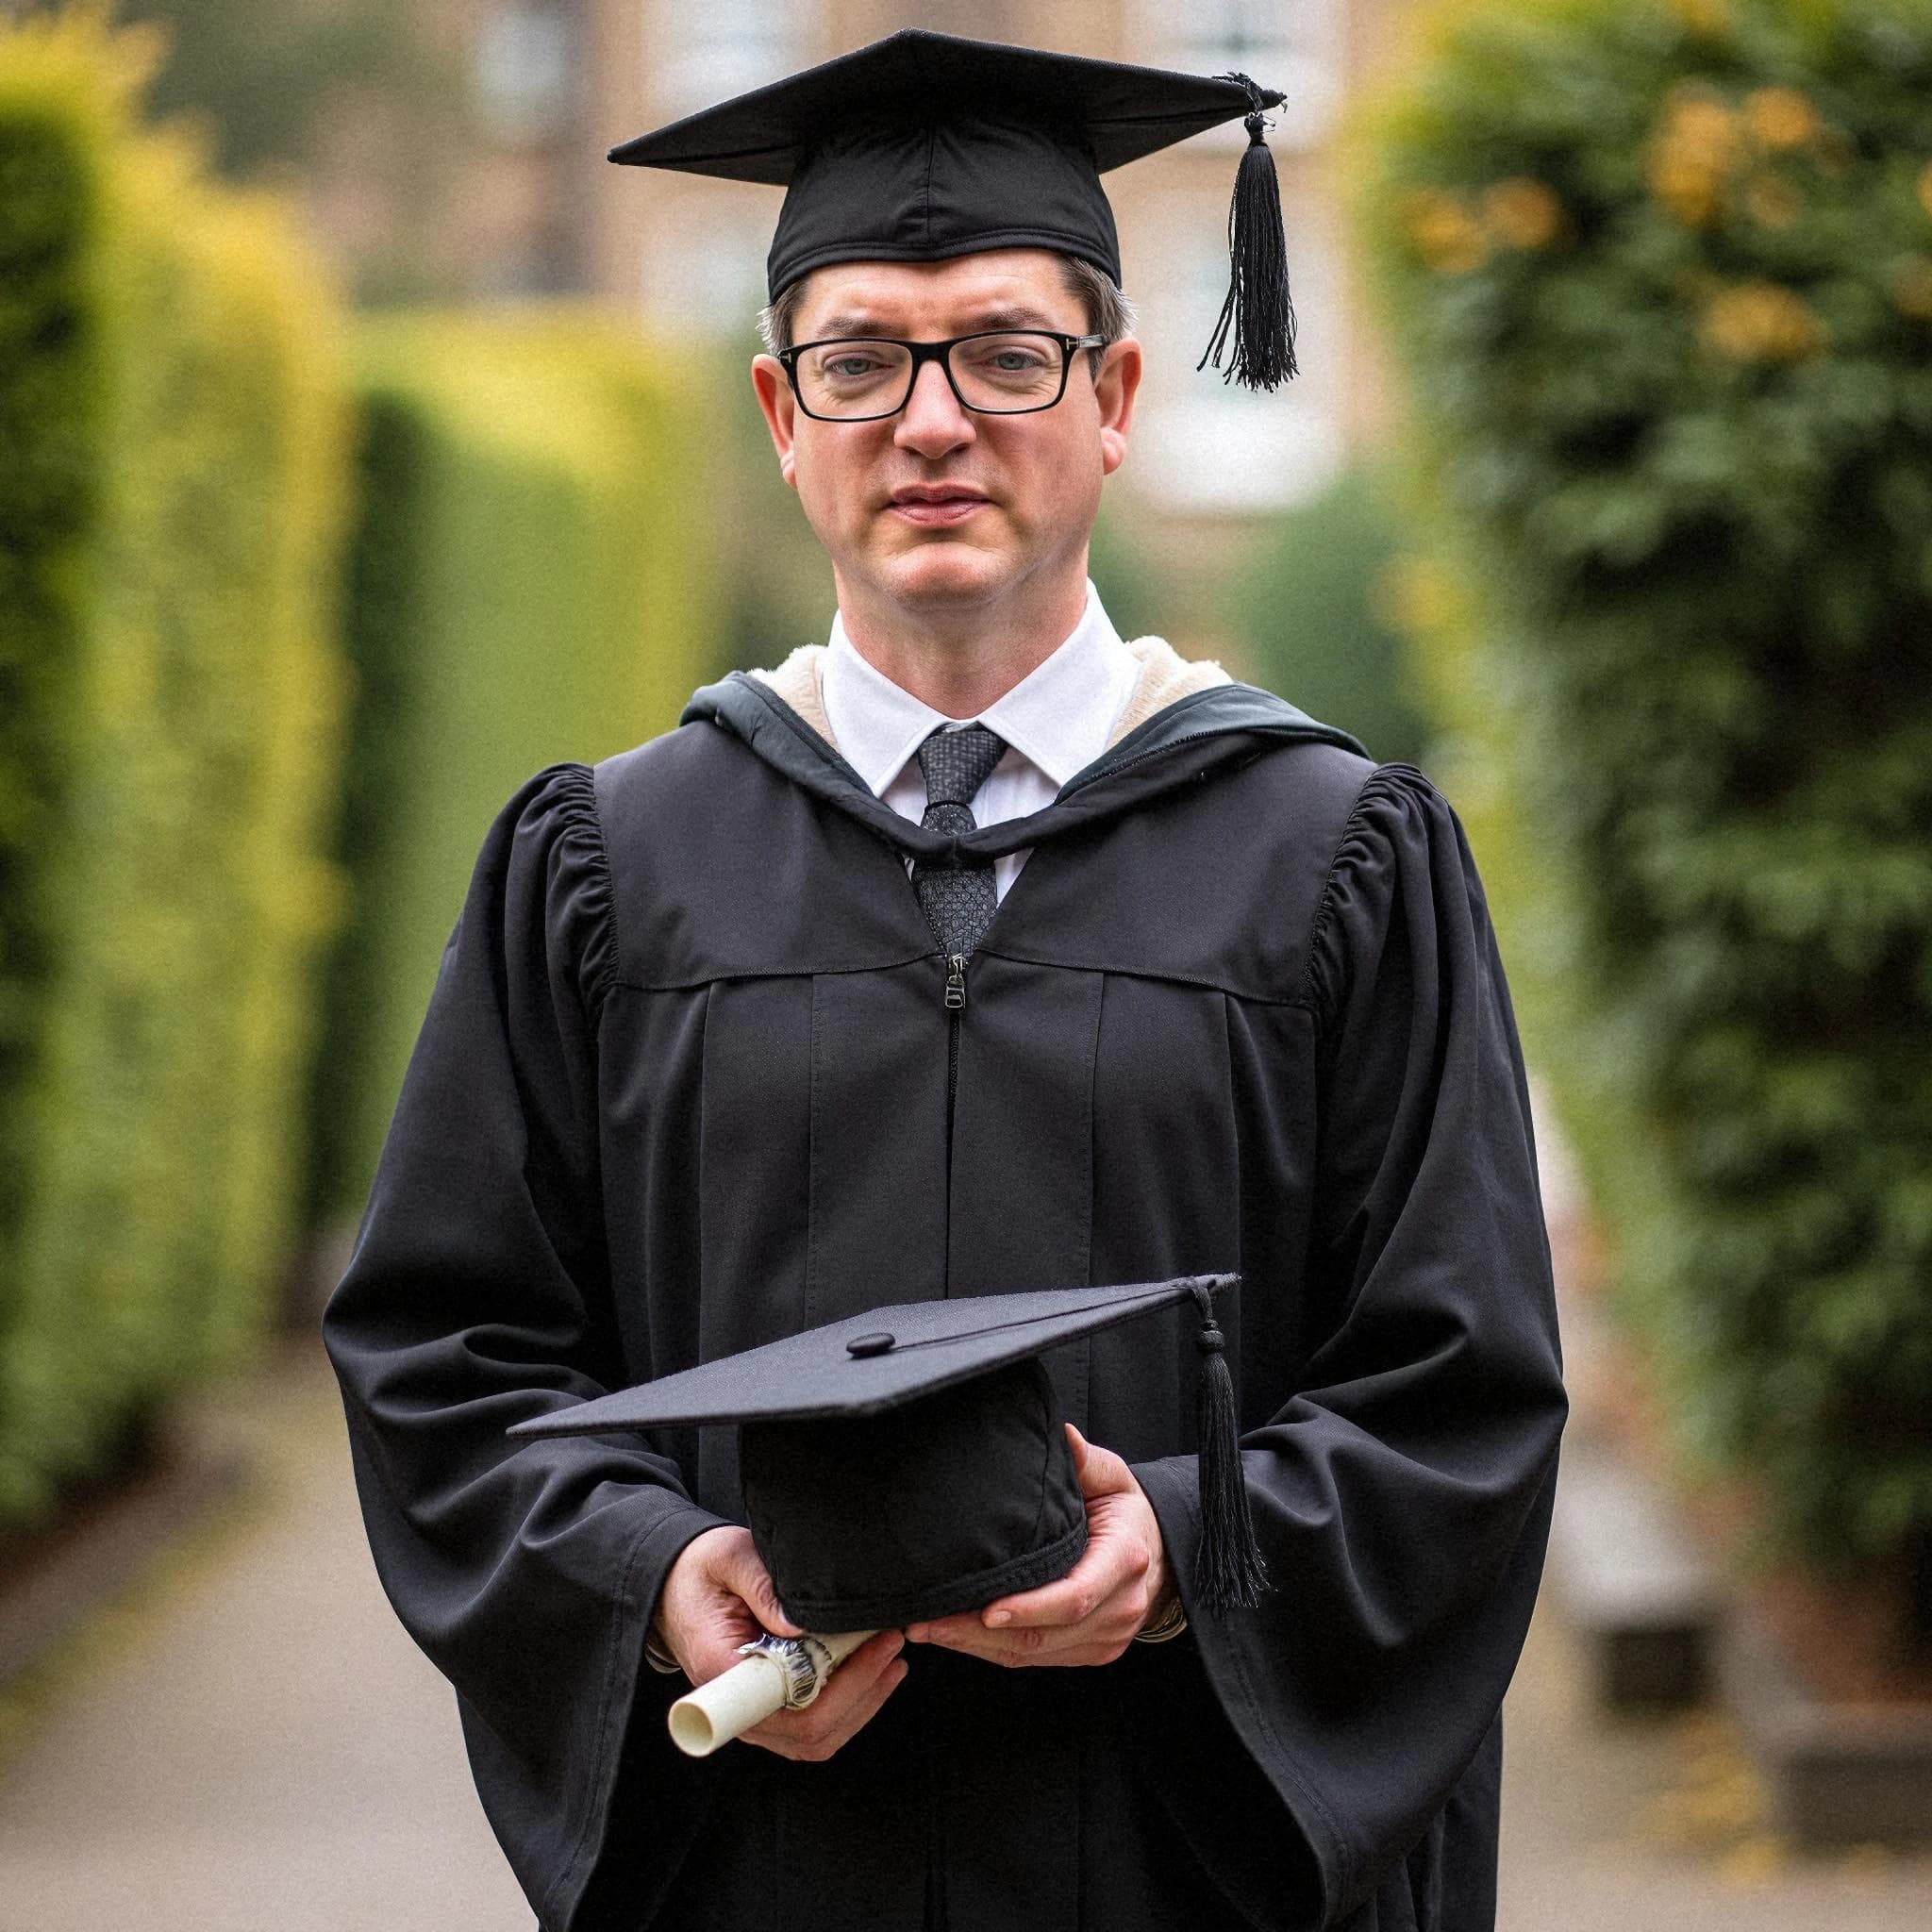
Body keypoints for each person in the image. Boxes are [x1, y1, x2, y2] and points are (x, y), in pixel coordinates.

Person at [323, 29, 1566, 1932]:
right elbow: (444, 1353)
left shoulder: (1334, 858)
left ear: (1117, 389)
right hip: (765, 1870)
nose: (931, 421)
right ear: (776, 410)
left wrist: (1185, 1533)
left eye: (1003, 352)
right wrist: (654, 1574)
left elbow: (1458, 1389)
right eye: (860, 359)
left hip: (1188, 1866)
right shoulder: (608, 871)